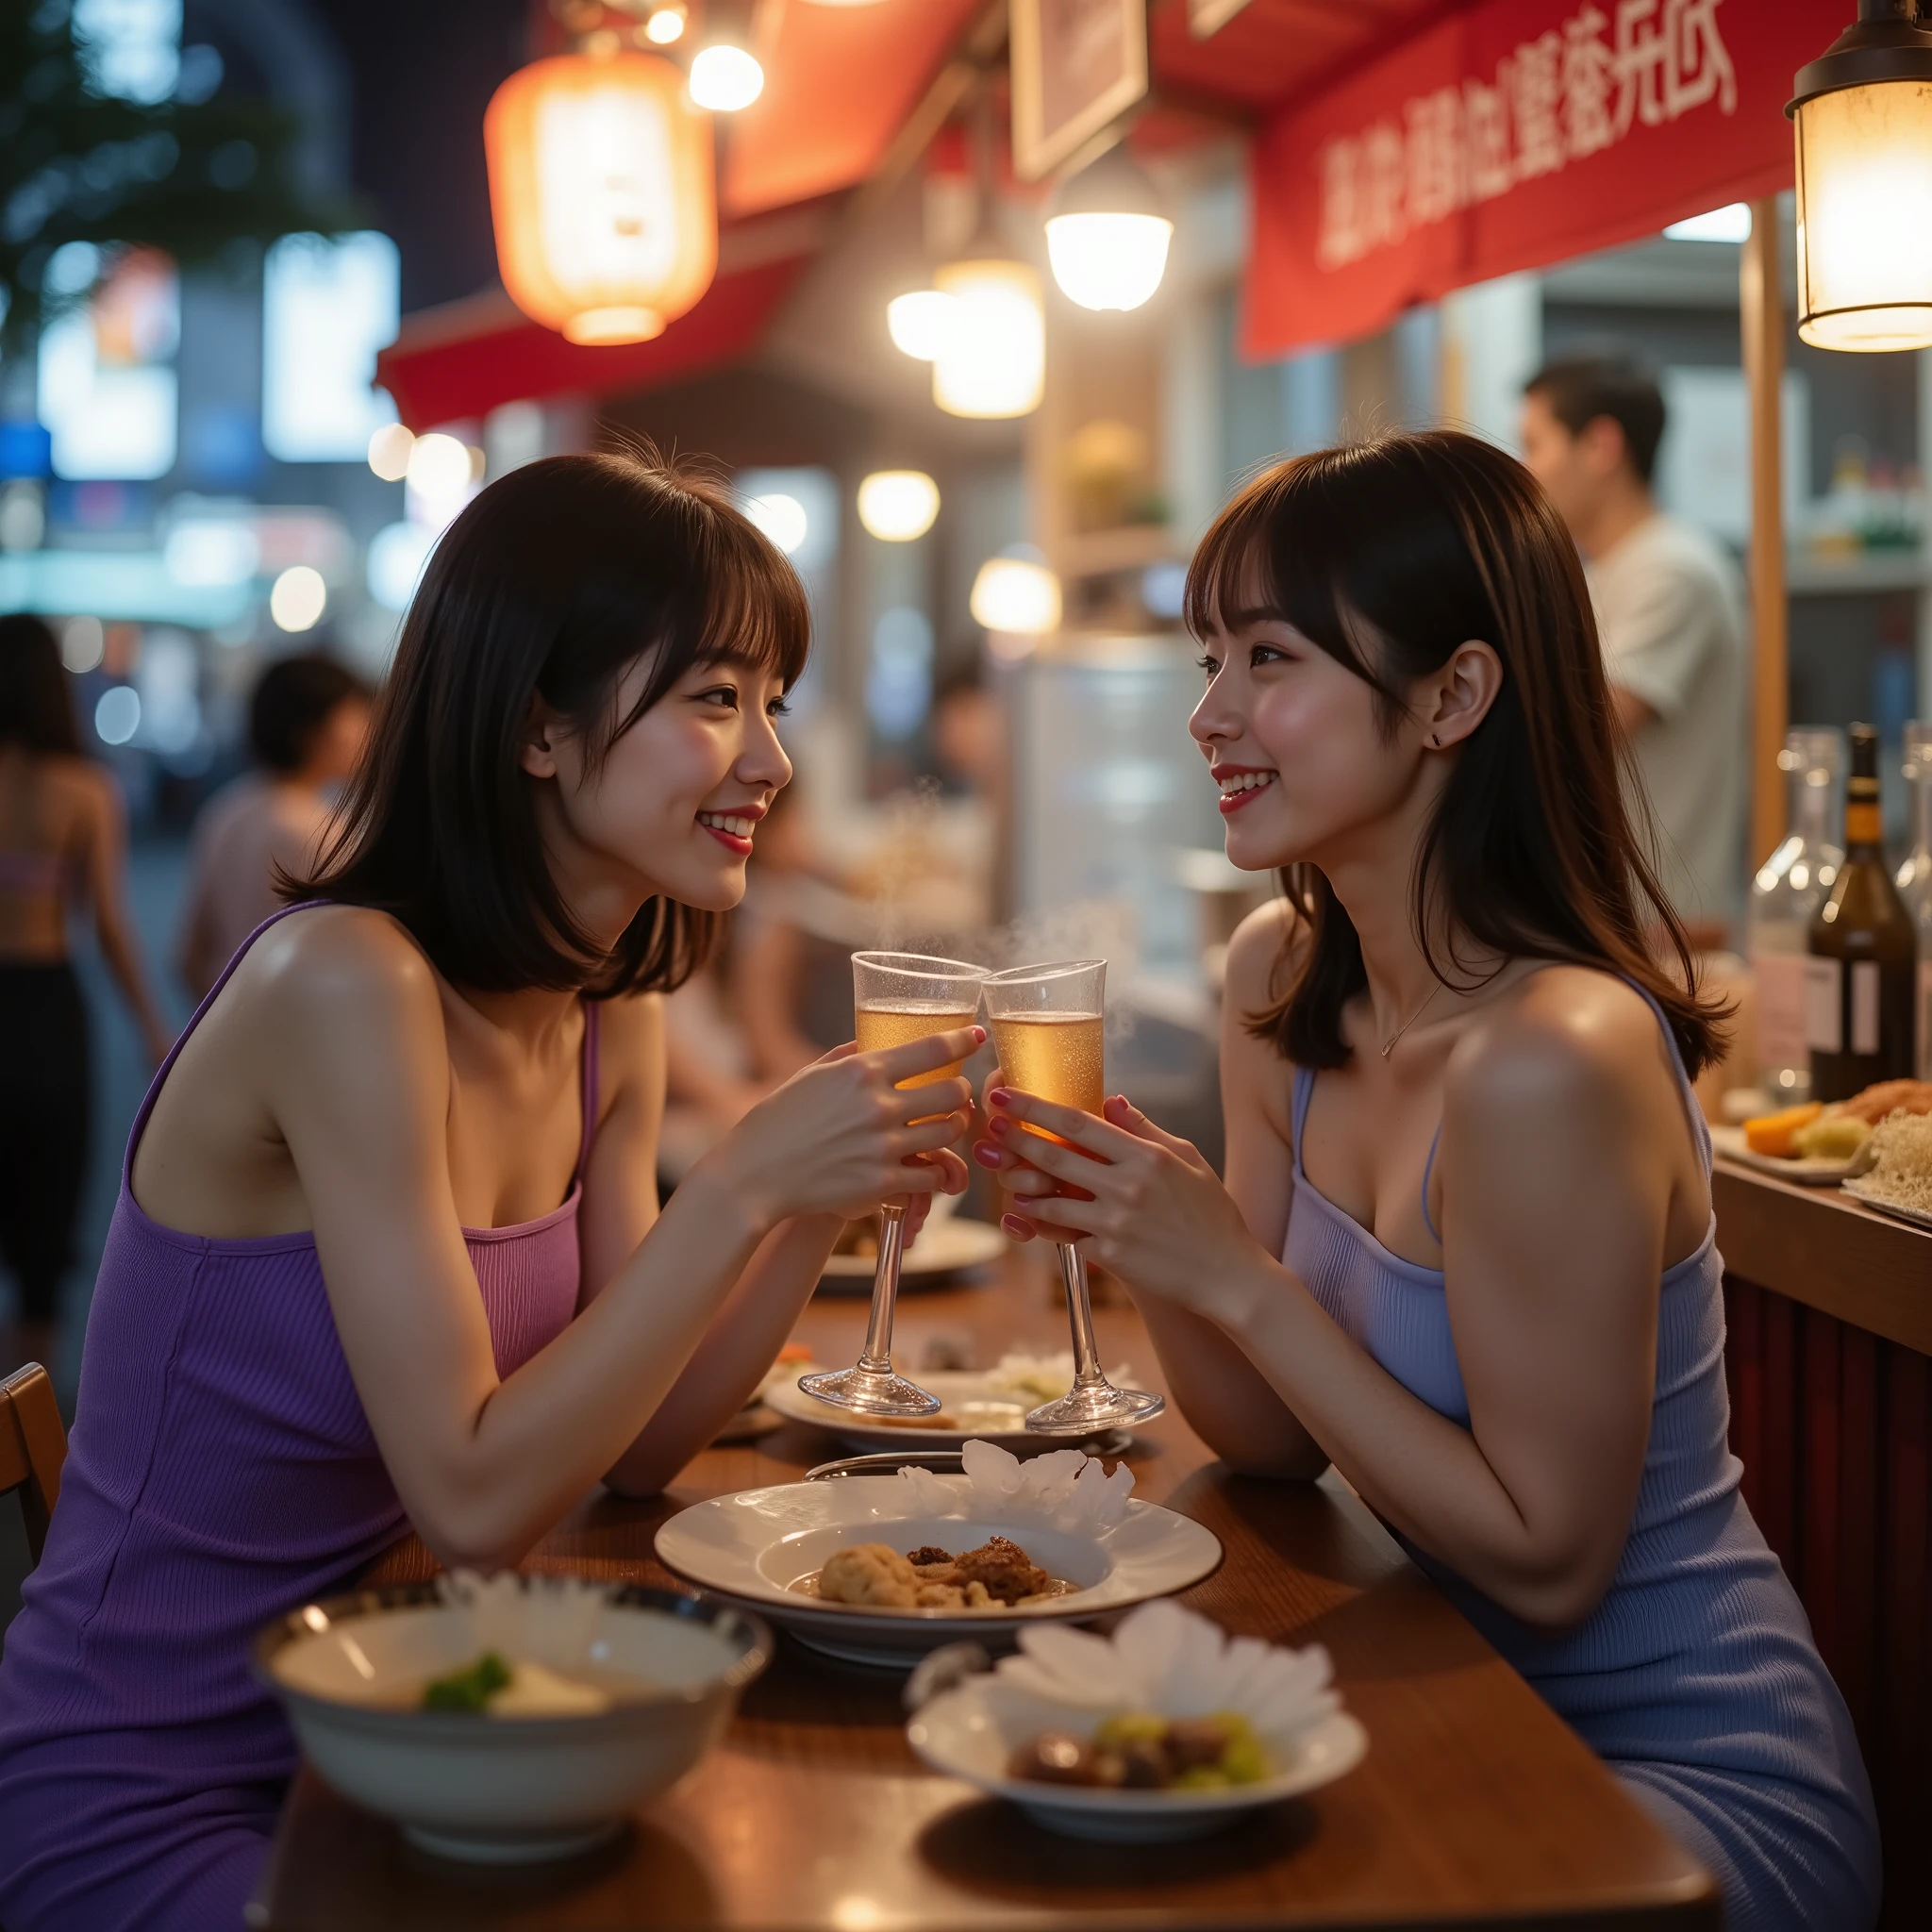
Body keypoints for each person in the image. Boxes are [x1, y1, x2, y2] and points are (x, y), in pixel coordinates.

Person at [0, 452, 978, 1932]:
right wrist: (736, 1189)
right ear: (536, 723)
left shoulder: (607, 1009)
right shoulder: (347, 982)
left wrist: (808, 1207)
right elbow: (471, 1500)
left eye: (771, 701)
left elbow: (638, 1443)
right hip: (176, 1781)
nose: (772, 760)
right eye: (717, 699)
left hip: (413, 1717)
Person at [972, 434, 1879, 1932]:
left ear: (1455, 696)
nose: (1210, 713)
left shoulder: (1553, 1058)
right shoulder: (1282, 978)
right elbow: (1267, 1440)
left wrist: (1240, 1278)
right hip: (1428, 1700)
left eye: (1269, 658)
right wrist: (1152, 1235)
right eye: (1212, 658)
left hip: (1664, 1775)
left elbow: (1546, 1566)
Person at [1518, 354, 1746, 946]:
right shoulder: (1604, 573)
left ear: (1600, 445)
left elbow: (1579, 732)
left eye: (1535, 445)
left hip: (1664, 935)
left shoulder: (1674, 570)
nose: (1526, 470)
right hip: (1611, 926)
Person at [0, 614, 172, 1374]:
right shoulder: (84, 790)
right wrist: (151, 1025)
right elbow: (108, 923)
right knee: (46, 1226)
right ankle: (18, 1428)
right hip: (45, 1014)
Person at [175, 653, 372, 999]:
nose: (369, 730)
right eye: (357, 714)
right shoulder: (327, 834)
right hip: (300, 1033)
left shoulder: (227, 809)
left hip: (232, 1022)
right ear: (316, 730)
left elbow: (190, 957)